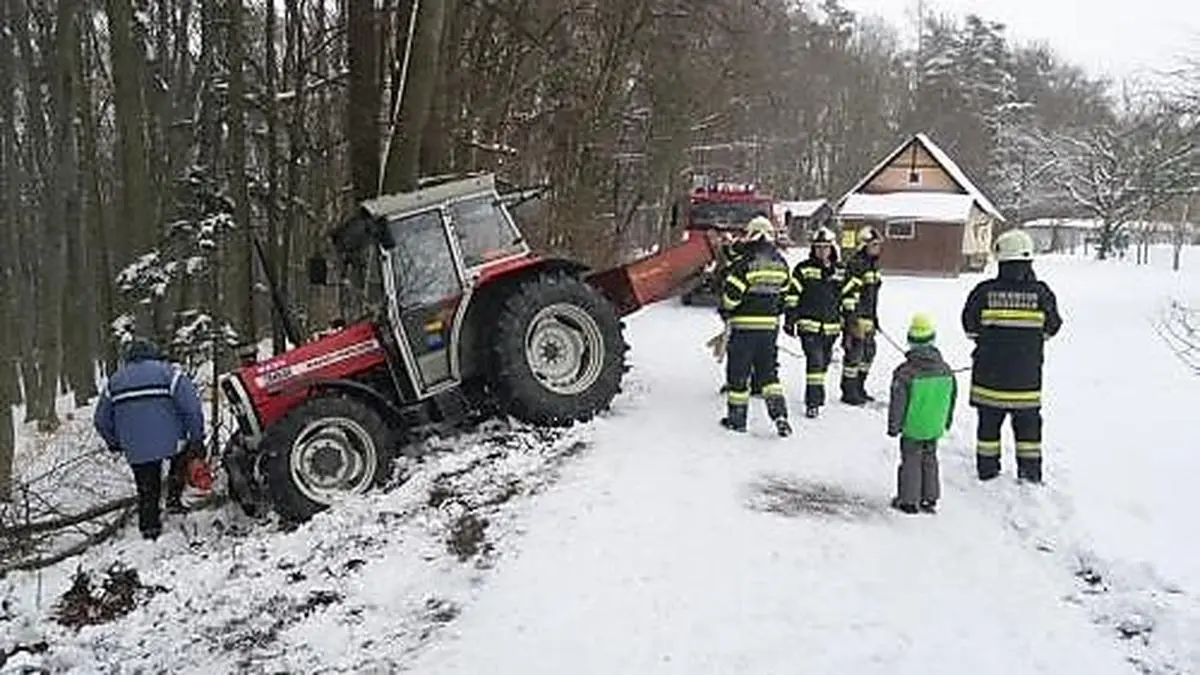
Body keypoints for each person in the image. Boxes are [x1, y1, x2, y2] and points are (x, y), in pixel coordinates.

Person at [961, 229, 1063, 483]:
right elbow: (1053, 326)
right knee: (1029, 433)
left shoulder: (983, 292)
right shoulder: (1042, 293)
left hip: (988, 381)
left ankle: (988, 472)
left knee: (988, 429)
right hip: (1026, 383)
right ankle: (1030, 475)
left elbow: (969, 327)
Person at [94, 338, 207, 540]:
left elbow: (101, 420)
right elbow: (191, 408)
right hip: (172, 441)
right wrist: (197, 438)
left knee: (147, 487)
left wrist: (115, 442)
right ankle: (174, 501)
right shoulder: (169, 374)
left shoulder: (114, 382)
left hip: (135, 447)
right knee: (181, 459)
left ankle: (149, 528)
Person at [718, 215, 800, 437]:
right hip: (769, 331)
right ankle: (780, 415)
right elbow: (785, 294)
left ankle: (737, 420)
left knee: (739, 375)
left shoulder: (745, 263)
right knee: (768, 375)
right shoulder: (781, 264)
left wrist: (726, 310)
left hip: (744, 329)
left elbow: (731, 297)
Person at [886, 313, 957, 514]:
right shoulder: (946, 370)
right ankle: (929, 498)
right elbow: (951, 398)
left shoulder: (905, 373)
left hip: (912, 426)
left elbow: (898, 403)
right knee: (930, 459)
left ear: (910, 342)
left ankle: (909, 501)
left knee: (911, 460)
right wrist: (946, 421)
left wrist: (894, 427)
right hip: (934, 426)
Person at [784, 226, 844, 418]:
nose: (821, 251)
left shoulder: (840, 270)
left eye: (825, 247)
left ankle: (816, 392)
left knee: (823, 363)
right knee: (815, 362)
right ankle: (813, 402)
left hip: (831, 327)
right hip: (809, 326)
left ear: (832, 248)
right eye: (818, 247)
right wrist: (790, 319)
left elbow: (846, 296)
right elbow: (792, 295)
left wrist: (849, 320)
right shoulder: (803, 269)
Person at [839, 225, 884, 406]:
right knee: (854, 356)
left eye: (878, 245)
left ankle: (859, 387)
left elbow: (872, 295)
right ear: (863, 245)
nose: (878, 248)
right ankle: (849, 391)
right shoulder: (857, 265)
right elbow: (848, 295)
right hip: (857, 319)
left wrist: (874, 318)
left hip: (868, 318)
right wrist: (852, 321)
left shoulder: (873, 266)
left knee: (868, 354)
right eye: (874, 245)